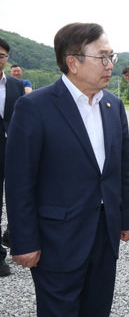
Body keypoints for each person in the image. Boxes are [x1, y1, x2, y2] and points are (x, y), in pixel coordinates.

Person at [5, 22, 129, 316]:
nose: (109, 64)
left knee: (97, 308)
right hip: (57, 239)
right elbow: (19, 180)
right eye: (101, 57)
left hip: (104, 235)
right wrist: (24, 241)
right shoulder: (34, 107)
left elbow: (122, 169)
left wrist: (125, 217)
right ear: (73, 63)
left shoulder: (113, 106)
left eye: (111, 57)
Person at [0, 38, 26, 277]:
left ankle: (16, 239)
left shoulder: (16, 86)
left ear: (7, 58)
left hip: (15, 150)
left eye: (1, 55)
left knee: (21, 198)